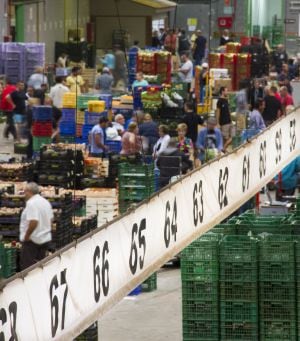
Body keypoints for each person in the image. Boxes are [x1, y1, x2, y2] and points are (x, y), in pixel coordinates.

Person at [19, 182, 53, 270]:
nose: (24, 194)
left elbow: (34, 221)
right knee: (40, 266)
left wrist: (27, 236)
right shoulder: (45, 202)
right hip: (44, 239)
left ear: (29, 192)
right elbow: (51, 220)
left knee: (28, 268)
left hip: (32, 241)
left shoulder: (31, 203)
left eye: (25, 192)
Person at [216, 87, 233, 152]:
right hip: (223, 123)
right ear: (222, 92)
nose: (227, 92)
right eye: (226, 91)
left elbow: (229, 111)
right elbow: (218, 112)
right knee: (225, 139)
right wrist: (218, 123)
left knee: (232, 137)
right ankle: (223, 151)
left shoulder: (226, 100)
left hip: (229, 122)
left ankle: (223, 149)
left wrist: (231, 120)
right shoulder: (219, 101)